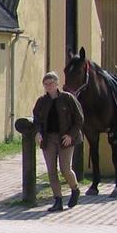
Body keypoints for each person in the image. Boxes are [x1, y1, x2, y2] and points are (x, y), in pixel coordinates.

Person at [33, 70, 84, 212]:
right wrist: (38, 133)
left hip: (65, 138)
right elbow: (36, 119)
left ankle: (75, 188)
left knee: (65, 168)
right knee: (51, 170)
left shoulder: (68, 98)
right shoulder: (42, 102)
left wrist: (70, 135)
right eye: (46, 84)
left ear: (57, 84)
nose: (49, 86)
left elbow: (79, 119)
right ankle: (58, 200)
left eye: (51, 83)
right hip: (49, 139)